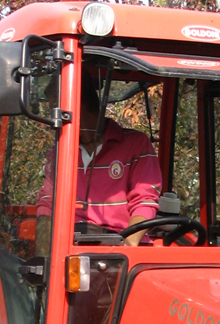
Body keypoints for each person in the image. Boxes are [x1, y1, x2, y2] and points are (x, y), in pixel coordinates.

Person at [36, 71, 161, 250]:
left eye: (54, 109)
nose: (51, 119)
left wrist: (127, 246)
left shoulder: (136, 144)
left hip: (122, 248)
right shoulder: (59, 151)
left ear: (76, 106)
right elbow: (48, 201)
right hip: (73, 248)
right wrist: (44, 253)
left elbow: (144, 201)